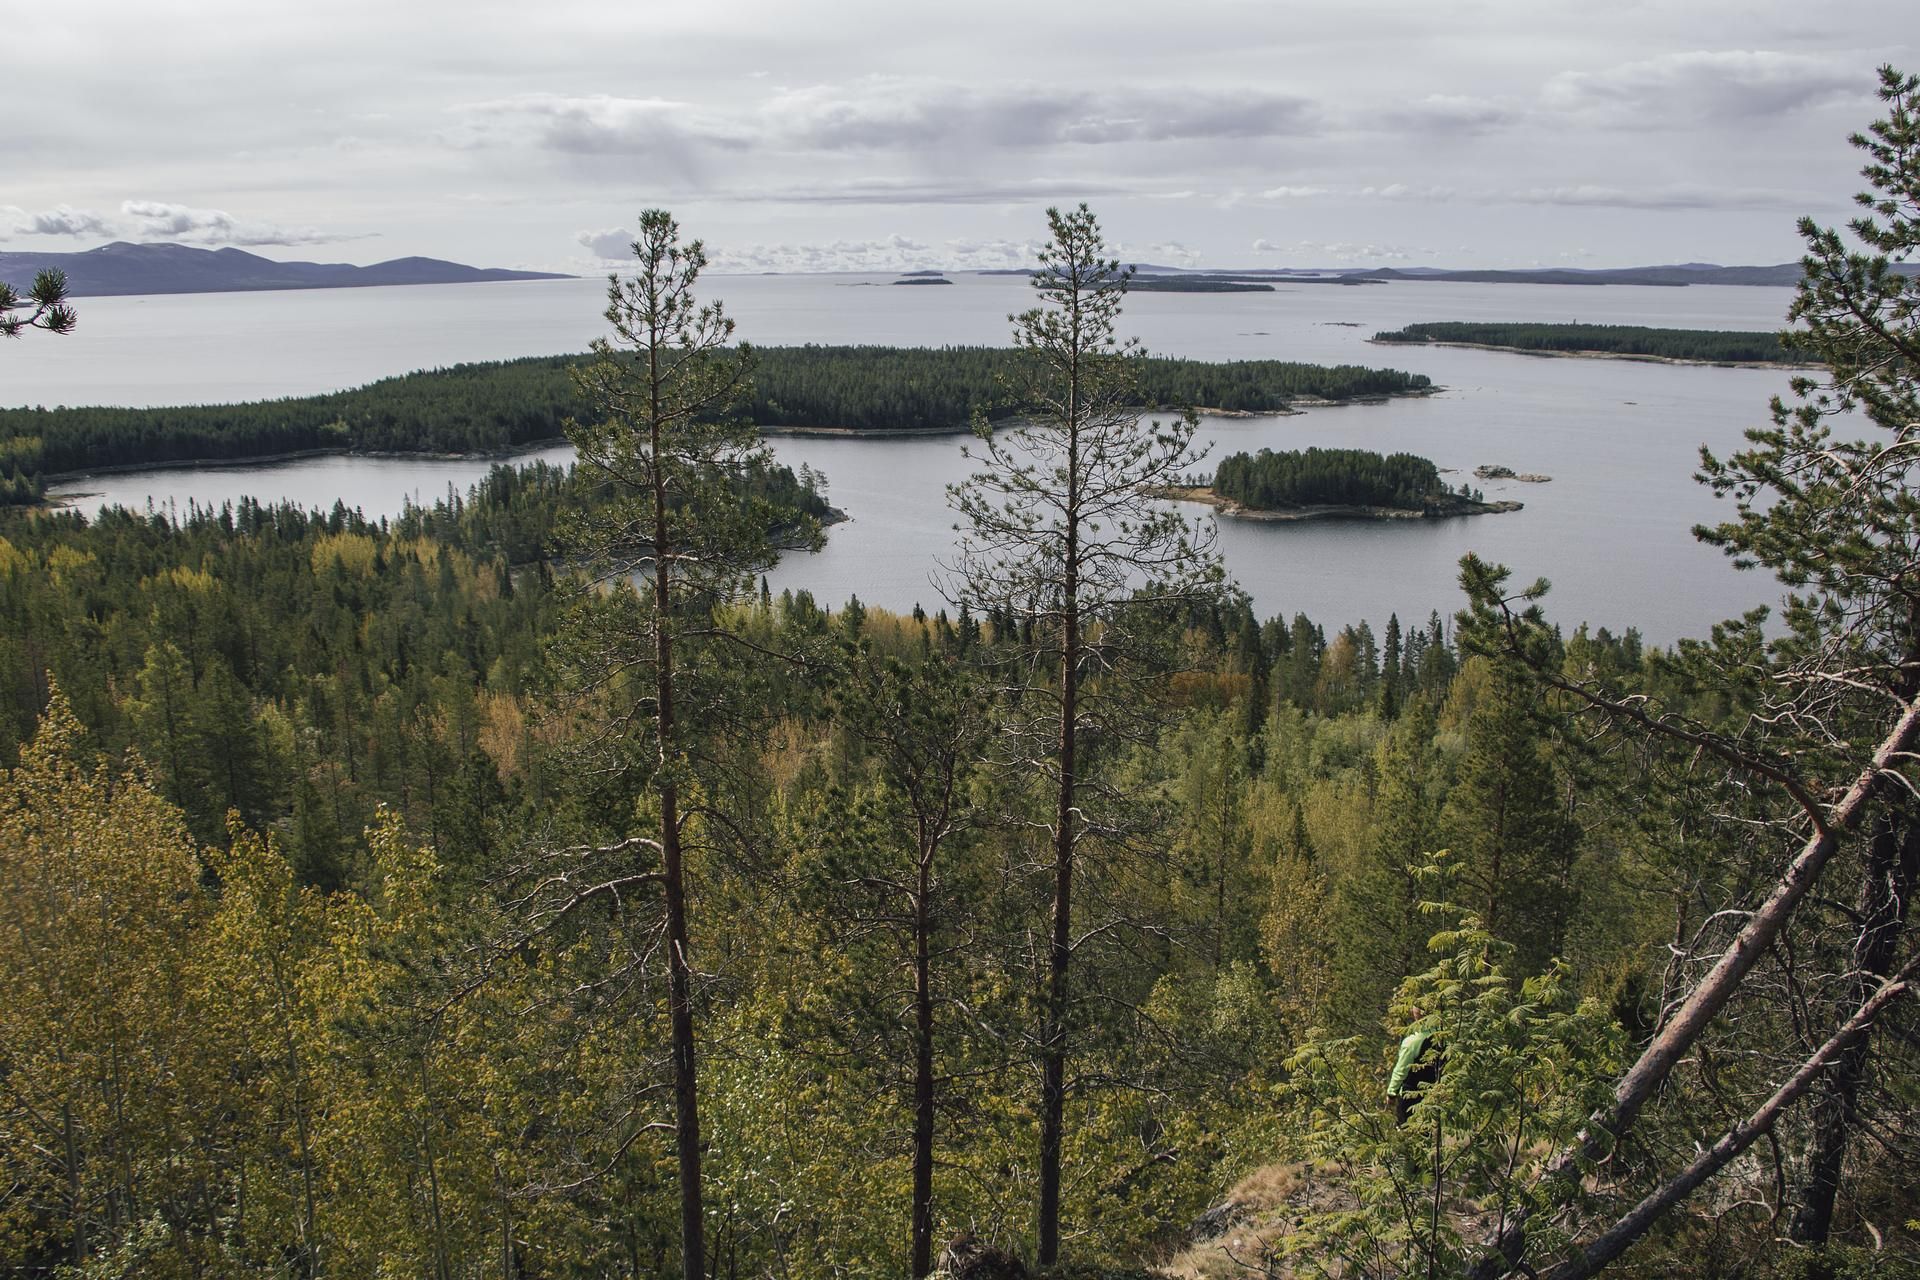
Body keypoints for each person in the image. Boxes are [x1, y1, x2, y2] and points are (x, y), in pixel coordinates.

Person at [1388, 1010, 1441, 1125]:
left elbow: (1401, 1071)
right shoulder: (1443, 1036)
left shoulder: (1412, 1041)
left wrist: (1391, 1093)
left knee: (1408, 1131)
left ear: (1416, 1015)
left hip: (1411, 1096)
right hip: (1437, 1093)